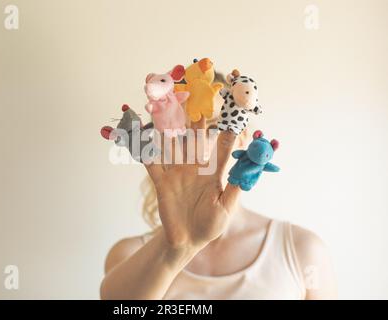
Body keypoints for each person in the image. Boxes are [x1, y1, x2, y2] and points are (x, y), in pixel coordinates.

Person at [100, 74, 337, 300]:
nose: (192, 144)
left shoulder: (302, 250)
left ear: (242, 137)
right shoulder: (128, 255)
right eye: (176, 132)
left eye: (212, 127)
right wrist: (175, 248)